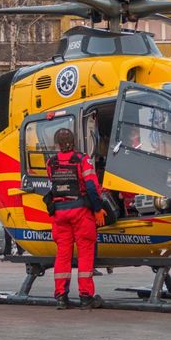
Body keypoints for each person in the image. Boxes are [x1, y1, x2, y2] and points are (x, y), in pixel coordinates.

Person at [45, 127, 106, 310]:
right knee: (85, 252)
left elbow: (53, 184)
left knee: (63, 254)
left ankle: (61, 297)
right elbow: (91, 186)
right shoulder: (82, 160)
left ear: (57, 144)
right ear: (74, 142)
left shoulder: (51, 163)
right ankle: (86, 297)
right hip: (80, 212)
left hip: (59, 213)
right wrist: (98, 209)